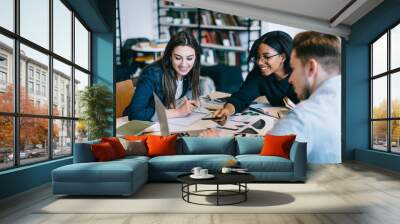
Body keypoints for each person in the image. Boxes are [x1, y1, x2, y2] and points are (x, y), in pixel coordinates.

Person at [269, 31, 342, 163]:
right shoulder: (350, 101)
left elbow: (261, 167)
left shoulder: (302, 117)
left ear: (311, 68)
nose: (290, 79)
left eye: (293, 68)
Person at [213, 31, 300, 123]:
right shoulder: (259, 74)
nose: (259, 62)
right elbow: (241, 97)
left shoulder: (301, 75)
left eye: (267, 57)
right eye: (258, 57)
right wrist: (227, 111)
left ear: (283, 57)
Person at [125, 31, 201, 121]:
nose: (184, 64)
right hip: (138, 126)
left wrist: (187, 102)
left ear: (195, 57)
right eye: (178, 58)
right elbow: (135, 114)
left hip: (168, 123)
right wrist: (178, 112)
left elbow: (186, 94)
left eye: (189, 58)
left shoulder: (190, 72)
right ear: (170, 56)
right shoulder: (152, 74)